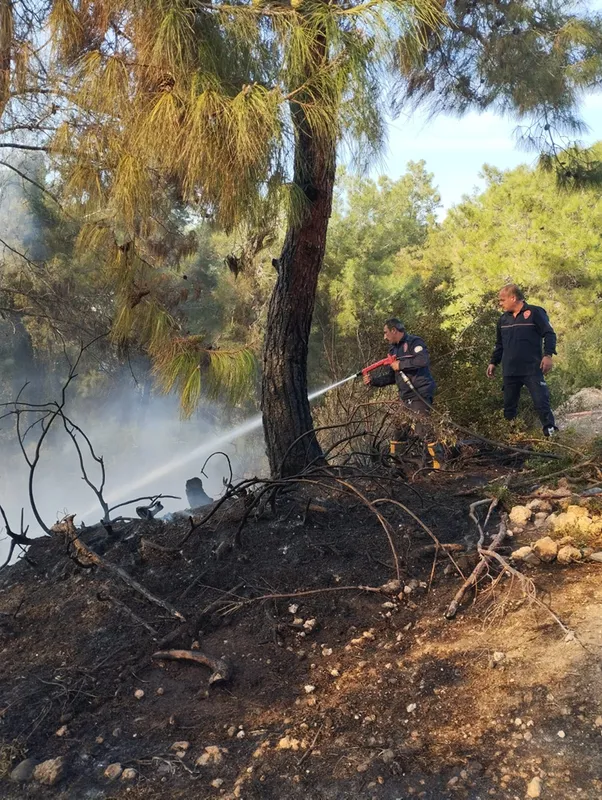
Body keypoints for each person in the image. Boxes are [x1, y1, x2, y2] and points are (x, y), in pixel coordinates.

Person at [363, 318, 443, 468]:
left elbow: (423, 361)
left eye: (386, 333)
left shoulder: (414, 342)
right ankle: (400, 466)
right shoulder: (393, 351)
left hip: (420, 393)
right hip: (405, 396)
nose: (384, 337)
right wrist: (372, 381)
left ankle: (440, 466)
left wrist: (401, 364)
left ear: (394, 330)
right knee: (399, 431)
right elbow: (391, 377)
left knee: (423, 429)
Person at [487, 284, 558, 436]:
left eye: (502, 300)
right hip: (510, 370)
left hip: (532, 369)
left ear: (513, 298)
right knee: (509, 407)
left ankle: (551, 434)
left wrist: (548, 355)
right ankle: (511, 437)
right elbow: (499, 344)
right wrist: (493, 362)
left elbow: (550, 334)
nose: (500, 303)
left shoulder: (535, 312)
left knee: (541, 403)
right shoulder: (503, 320)